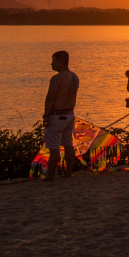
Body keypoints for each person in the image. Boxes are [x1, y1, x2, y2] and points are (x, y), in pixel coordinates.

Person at [42, 50, 79, 182]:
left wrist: (46, 115)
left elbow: (50, 98)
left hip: (57, 115)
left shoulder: (56, 78)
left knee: (54, 147)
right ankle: (68, 172)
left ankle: (50, 175)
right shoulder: (74, 77)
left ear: (61, 62)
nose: (51, 64)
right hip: (69, 114)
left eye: (54, 61)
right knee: (68, 144)